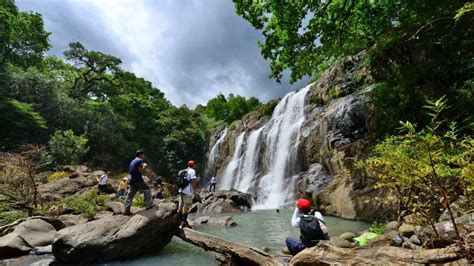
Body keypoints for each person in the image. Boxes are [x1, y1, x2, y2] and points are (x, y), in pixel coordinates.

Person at [124, 150, 155, 215]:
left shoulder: (133, 160)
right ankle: (148, 204)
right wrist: (145, 166)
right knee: (147, 189)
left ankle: (126, 210)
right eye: (143, 155)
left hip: (132, 179)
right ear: (140, 155)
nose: (144, 156)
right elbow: (140, 171)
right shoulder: (139, 160)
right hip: (138, 179)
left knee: (130, 195)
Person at [178, 160, 197, 229]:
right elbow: (193, 181)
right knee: (186, 206)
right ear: (194, 165)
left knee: (181, 205)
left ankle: (179, 220)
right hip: (188, 191)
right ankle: (184, 221)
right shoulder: (192, 171)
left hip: (181, 190)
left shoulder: (182, 171)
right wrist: (195, 190)